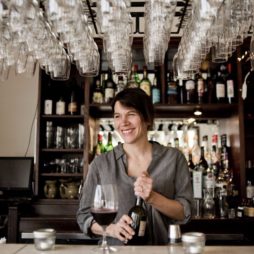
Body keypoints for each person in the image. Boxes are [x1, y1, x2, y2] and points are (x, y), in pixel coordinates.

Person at [77, 88, 193, 245]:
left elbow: (184, 212)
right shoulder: (101, 164)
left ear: (147, 118)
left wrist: (152, 197)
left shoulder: (174, 159)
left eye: (131, 114)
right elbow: (83, 216)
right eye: (118, 116)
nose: (123, 122)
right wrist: (111, 229)